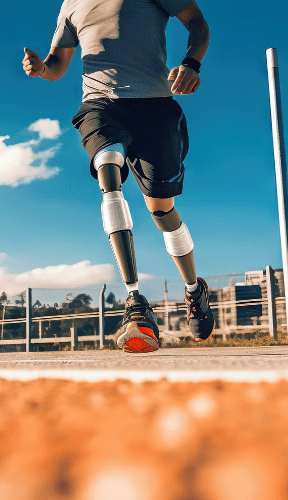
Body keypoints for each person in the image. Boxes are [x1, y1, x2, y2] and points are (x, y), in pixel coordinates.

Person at [23, 0, 214, 353]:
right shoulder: (71, 5)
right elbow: (58, 64)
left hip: (154, 106)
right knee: (107, 170)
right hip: (100, 104)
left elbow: (198, 23)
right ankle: (135, 304)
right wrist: (39, 69)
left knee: (161, 210)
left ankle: (193, 289)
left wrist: (191, 63)